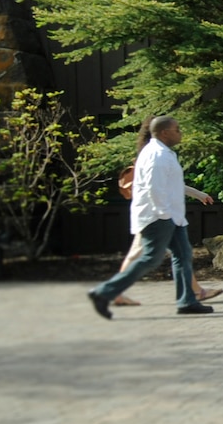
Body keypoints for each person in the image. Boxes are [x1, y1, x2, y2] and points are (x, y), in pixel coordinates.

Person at [87, 115, 215, 319]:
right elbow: (154, 189)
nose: (180, 132)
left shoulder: (164, 153)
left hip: (172, 217)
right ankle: (103, 293)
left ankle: (187, 301)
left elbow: (171, 185)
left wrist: (191, 199)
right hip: (159, 217)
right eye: (177, 129)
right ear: (164, 133)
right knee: (150, 259)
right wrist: (164, 215)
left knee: (183, 256)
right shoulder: (157, 155)